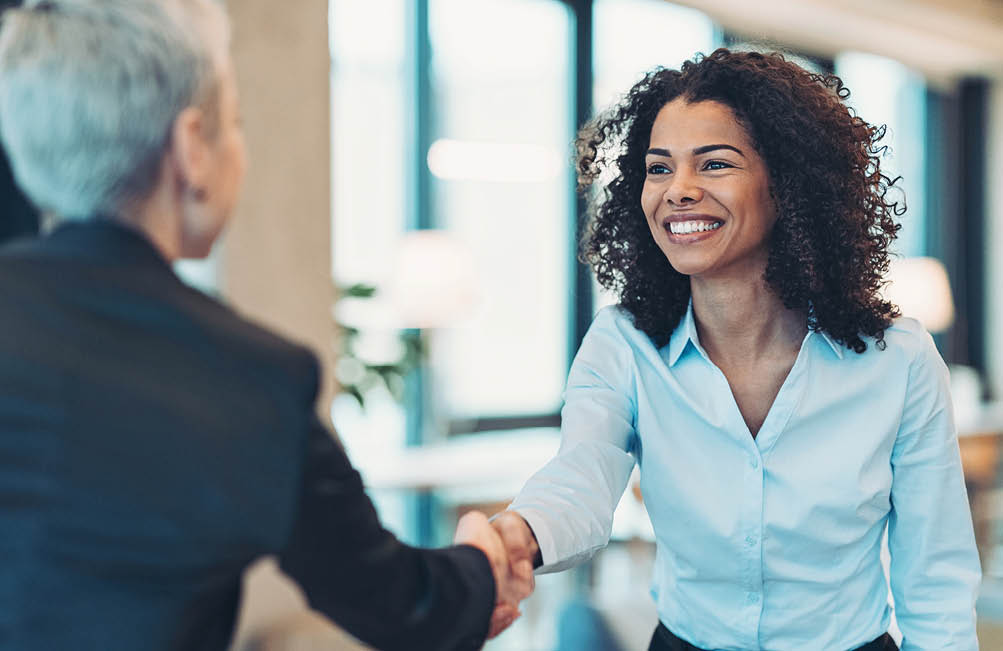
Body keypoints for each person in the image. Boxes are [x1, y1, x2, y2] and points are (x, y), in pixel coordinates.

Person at [0, 1, 530, 650]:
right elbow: (404, 605)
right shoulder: (248, 379)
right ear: (192, 148)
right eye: (238, 123)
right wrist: (480, 560)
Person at [484, 49, 981, 650]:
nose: (679, 191)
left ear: (788, 184)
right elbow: (582, 479)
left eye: (715, 164)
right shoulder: (623, 344)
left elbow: (935, 578)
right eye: (659, 168)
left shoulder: (897, 360)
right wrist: (518, 534)